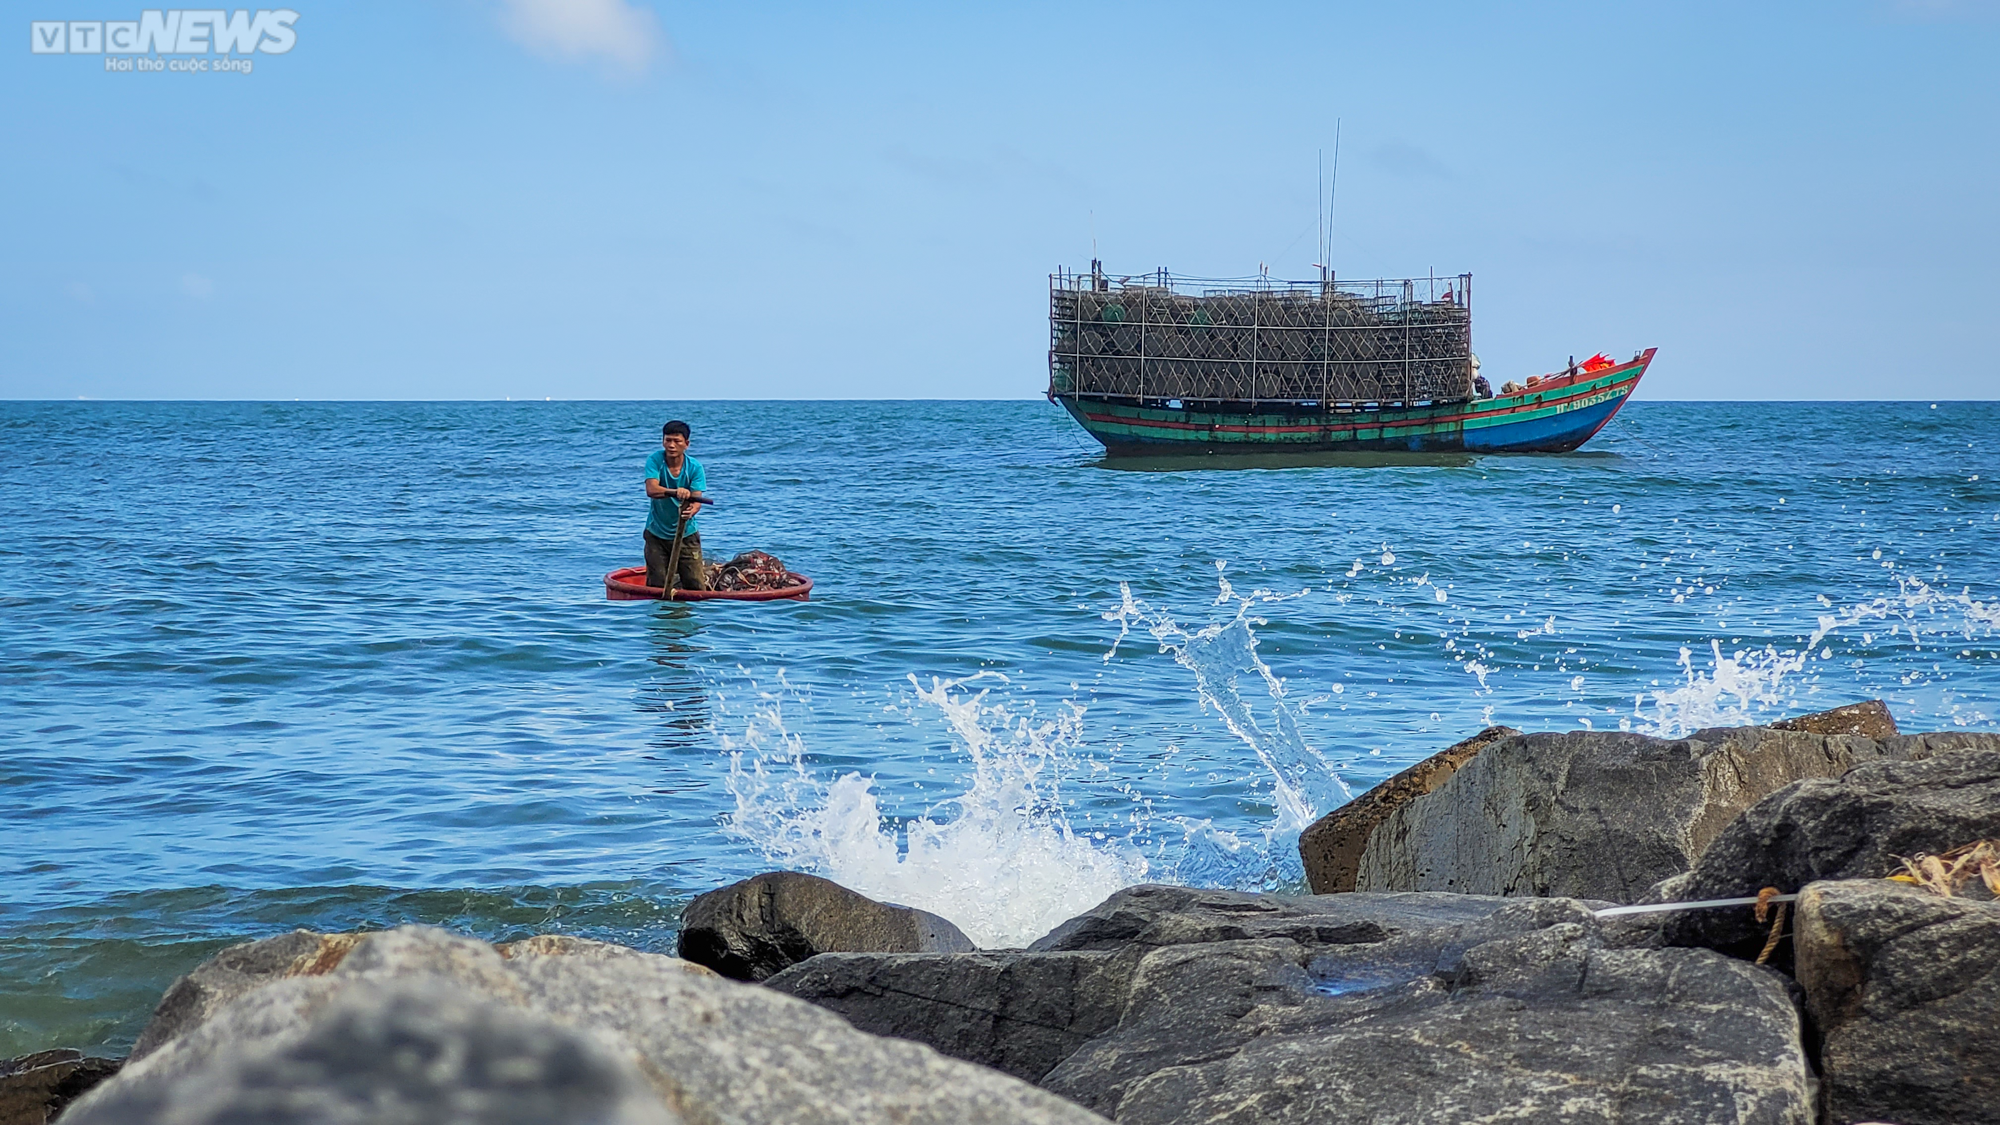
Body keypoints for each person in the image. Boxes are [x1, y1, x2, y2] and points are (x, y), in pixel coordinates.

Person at [644, 420, 707, 593]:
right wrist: (675, 492)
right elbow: (651, 489)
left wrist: (691, 510)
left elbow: (697, 500)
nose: (671, 445)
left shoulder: (694, 467)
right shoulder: (655, 460)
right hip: (657, 534)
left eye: (677, 441)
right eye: (668, 440)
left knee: (695, 585)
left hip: (686, 534)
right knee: (657, 585)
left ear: (686, 444)